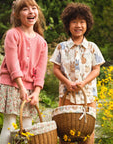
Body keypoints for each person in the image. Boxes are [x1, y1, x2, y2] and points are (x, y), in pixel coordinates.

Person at [50, 2, 105, 144]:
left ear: (87, 24)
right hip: (66, 96)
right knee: (65, 131)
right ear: (68, 25)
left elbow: (96, 69)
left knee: (88, 132)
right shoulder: (61, 47)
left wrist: (84, 82)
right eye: (74, 21)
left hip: (88, 97)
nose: (78, 25)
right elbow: (55, 69)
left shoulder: (92, 47)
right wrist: (67, 82)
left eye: (82, 21)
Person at [0, 0, 48, 143]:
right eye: (25, 9)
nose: (31, 11)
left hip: (31, 89)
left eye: (33, 8)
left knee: (27, 127)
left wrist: (36, 92)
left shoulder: (41, 42)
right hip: (12, 85)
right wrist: (21, 87)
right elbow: (12, 63)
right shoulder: (12, 34)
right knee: (9, 125)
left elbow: (41, 70)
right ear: (16, 14)